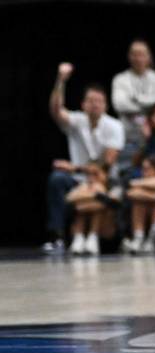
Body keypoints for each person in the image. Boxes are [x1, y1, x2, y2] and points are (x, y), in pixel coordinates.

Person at [45, 64, 125, 254]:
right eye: (90, 100)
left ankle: (91, 236)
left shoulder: (114, 126)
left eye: (99, 101)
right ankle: (57, 236)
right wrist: (60, 81)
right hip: (77, 180)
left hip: (105, 179)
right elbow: (56, 110)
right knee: (56, 179)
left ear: (105, 105)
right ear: (83, 105)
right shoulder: (77, 121)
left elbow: (107, 164)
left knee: (96, 190)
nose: (94, 104)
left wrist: (74, 169)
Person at [110, 39, 155, 148]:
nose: (138, 58)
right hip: (127, 138)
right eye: (134, 54)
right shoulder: (120, 79)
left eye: (141, 54)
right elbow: (120, 105)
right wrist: (149, 108)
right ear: (129, 56)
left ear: (148, 57)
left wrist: (137, 99)